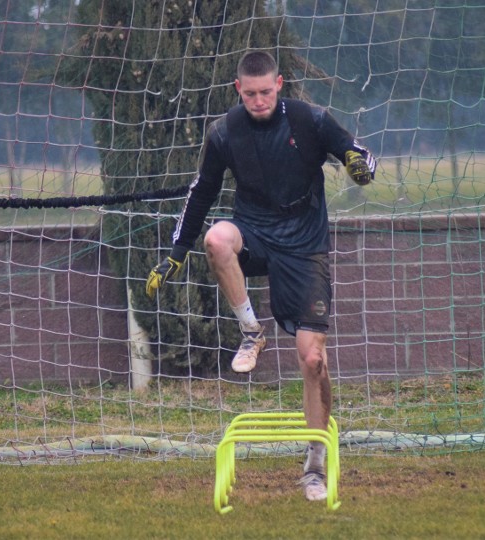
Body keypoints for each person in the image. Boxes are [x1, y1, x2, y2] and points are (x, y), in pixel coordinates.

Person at [145, 51, 376, 502]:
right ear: (238, 90)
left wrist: (359, 166)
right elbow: (202, 191)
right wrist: (176, 252)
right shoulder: (226, 131)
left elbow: (358, 157)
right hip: (254, 234)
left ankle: (315, 462)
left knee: (312, 360)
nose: (257, 100)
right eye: (249, 94)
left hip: (305, 245)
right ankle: (251, 332)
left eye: (265, 92)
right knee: (216, 238)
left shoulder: (310, 120)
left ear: (280, 84)